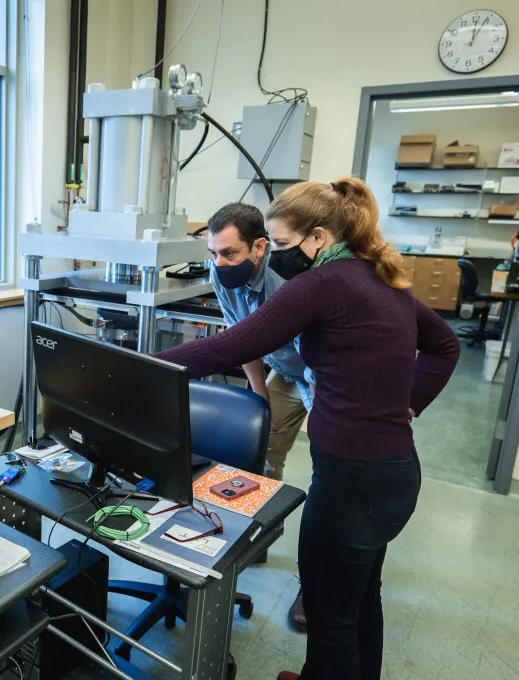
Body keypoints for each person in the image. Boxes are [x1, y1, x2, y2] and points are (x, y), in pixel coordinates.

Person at [156, 177, 460, 680]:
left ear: (317, 238)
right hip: (394, 474)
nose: (276, 257)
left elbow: (228, 348)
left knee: (329, 612)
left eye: (279, 245)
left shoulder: (324, 282)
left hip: (350, 483)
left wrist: (138, 365)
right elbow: (445, 345)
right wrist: (408, 406)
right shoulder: (379, 274)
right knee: (362, 596)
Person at [206, 202, 312, 632]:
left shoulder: (292, 281)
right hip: (286, 369)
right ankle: (260, 538)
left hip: (326, 373)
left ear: (259, 247)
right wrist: (259, 395)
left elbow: (324, 353)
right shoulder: (221, 275)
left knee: (330, 478)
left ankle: (314, 583)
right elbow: (241, 338)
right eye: (214, 252)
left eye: (229, 253)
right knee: (261, 450)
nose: (219, 263)